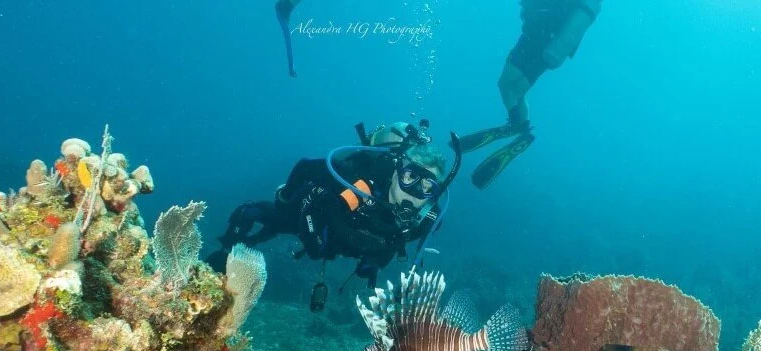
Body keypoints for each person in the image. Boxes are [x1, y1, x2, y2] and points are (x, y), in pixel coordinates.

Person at [206, 121, 462, 307]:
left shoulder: (427, 219)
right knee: (272, 217)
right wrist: (288, 200)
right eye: (410, 178)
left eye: (429, 188)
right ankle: (228, 246)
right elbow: (306, 166)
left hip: (355, 242)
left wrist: (373, 263)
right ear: (396, 172)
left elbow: (396, 246)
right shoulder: (359, 182)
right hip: (322, 221)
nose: (416, 193)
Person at [458, 0, 603, 189]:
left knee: (505, 85)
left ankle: (515, 124)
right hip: (550, 44)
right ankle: (522, 128)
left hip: (535, 39)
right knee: (518, 90)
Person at [275, 0, 302, 77]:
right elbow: (288, 45)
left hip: (282, 11)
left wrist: (291, 67)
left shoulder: (283, 15)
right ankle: (291, 69)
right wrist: (291, 68)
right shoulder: (283, 15)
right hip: (282, 12)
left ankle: (291, 69)